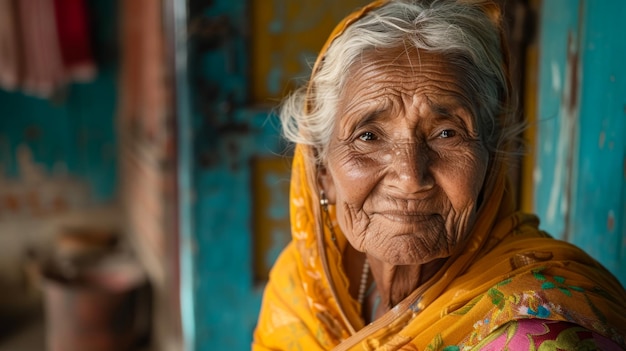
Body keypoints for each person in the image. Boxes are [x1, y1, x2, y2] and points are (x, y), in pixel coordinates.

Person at [252, 0, 626, 350]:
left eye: (447, 133)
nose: (410, 176)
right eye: (368, 136)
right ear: (321, 171)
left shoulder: (543, 331)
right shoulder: (304, 286)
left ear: (490, 159)